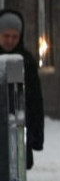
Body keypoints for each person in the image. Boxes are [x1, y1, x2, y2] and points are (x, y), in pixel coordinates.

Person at [0, 10, 44, 170]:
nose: (10, 41)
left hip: (18, 132)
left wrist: (36, 137)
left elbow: (35, 102)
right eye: (6, 36)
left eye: (14, 37)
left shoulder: (26, 61)